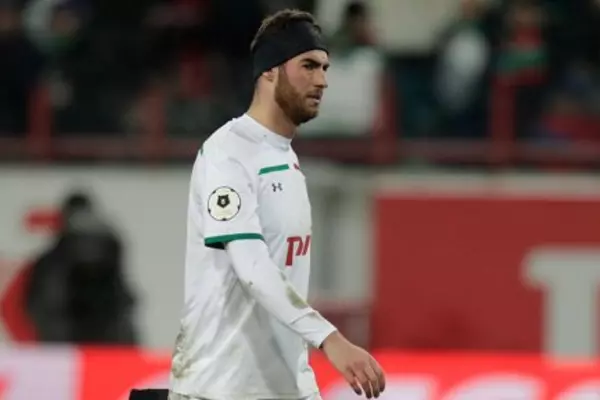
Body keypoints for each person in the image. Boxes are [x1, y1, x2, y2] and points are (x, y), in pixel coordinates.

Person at [168, 8, 385, 400]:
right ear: (270, 70)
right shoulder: (228, 153)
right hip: (219, 389)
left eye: (325, 68)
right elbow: (251, 266)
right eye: (308, 66)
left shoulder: (284, 157)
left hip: (281, 387)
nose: (322, 80)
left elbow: (283, 283)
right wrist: (329, 338)